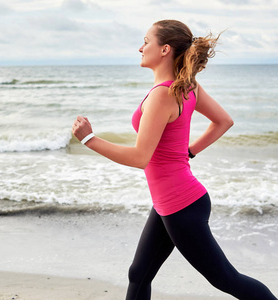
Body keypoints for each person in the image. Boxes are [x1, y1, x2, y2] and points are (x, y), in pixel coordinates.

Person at [72, 19, 277, 300]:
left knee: (226, 278)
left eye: (147, 41)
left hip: (181, 205)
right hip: (172, 202)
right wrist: (188, 152)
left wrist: (89, 139)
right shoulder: (187, 87)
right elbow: (223, 121)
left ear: (165, 49)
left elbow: (140, 157)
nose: (140, 47)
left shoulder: (162, 95)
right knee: (139, 273)